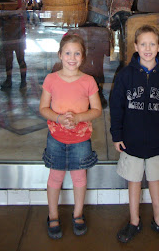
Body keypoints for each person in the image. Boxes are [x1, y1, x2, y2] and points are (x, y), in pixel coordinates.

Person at [110, 25, 159, 243]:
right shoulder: (125, 76)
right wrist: (117, 135)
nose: (148, 48)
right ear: (135, 46)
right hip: (131, 141)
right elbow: (116, 106)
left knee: (155, 180)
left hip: (158, 142)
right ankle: (134, 221)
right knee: (133, 181)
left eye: (152, 44)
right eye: (143, 44)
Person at [39, 33, 102, 239]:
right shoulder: (51, 79)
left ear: (83, 57)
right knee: (55, 176)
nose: (72, 57)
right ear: (60, 55)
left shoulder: (88, 81)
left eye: (77, 53)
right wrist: (58, 118)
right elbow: (43, 108)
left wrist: (78, 118)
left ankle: (77, 214)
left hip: (81, 139)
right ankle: (53, 215)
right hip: (56, 138)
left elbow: (97, 110)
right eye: (67, 53)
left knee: (79, 177)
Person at [0, 10, 27, 90]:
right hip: (10, 40)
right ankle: (11, 80)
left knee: (19, 60)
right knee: (10, 61)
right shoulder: (5, 15)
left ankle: (21, 80)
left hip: (17, 40)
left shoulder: (16, 15)